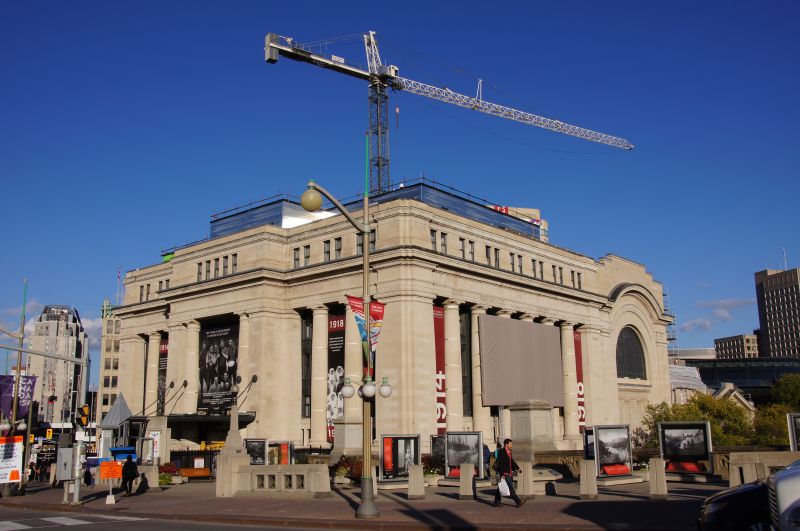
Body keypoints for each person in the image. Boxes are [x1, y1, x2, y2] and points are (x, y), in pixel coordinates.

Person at [493, 438, 524, 508]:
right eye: (510, 444)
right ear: (506, 444)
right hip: (505, 473)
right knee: (511, 488)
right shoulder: (502, 452)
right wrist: (502, 474)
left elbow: (512, 462)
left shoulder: (509, 452)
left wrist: (518, 468)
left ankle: (496, 503)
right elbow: (500, 464)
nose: (511, 445)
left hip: (509, 473)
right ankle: (518, 502)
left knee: (500, 488)